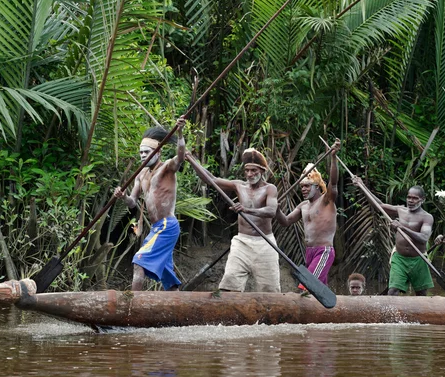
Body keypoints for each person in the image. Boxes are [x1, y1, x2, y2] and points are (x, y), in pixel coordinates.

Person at [186, 148, 281, 292]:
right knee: (230, 283)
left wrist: (247, 210)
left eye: (254, 170)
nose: (250, 174)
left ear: (262, 171)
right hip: (242, 242)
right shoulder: (239, 185)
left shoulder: (270, 189)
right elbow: (211, 179)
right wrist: (191, 160)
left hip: (265, 243)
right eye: (247, 170)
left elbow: (271, 211)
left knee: (270, 290)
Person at [114, 117, 186, 291]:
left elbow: (181, 156)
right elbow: (132, 203)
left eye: (147, 152)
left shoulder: (166, 168)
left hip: (167, 225)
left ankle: (132, 305)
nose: (143, 156)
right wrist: (123, 197)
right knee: (166, 275)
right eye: (141, 153)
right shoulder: (141, 175)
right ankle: (176, 303)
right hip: (156, 228)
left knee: (139, 260)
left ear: (158, 152)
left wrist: (180, 133)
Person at [275, 139, 340, 288]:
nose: (303, 189)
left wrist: (334, 157)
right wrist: (277, 210)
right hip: (309, 252)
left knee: (305, 286)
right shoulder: (303, 206)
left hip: (323, 252)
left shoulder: (326, 200)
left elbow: (334, 183)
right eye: (301, 187)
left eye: (307, 186)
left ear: (317, 187)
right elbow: (285, 221)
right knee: (319, 292)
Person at [354, 178, 434, 296]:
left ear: (422, 200)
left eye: (414, 198)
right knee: (392, 291)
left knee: (421, 294)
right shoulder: (401, 210)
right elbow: (379, 205)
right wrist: (362, 187)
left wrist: (402, 228)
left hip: (418, 259)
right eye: (409, 197)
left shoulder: (427, 217)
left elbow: (423, 238)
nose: (410, 201)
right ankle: (391, 315)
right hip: (399, 259)